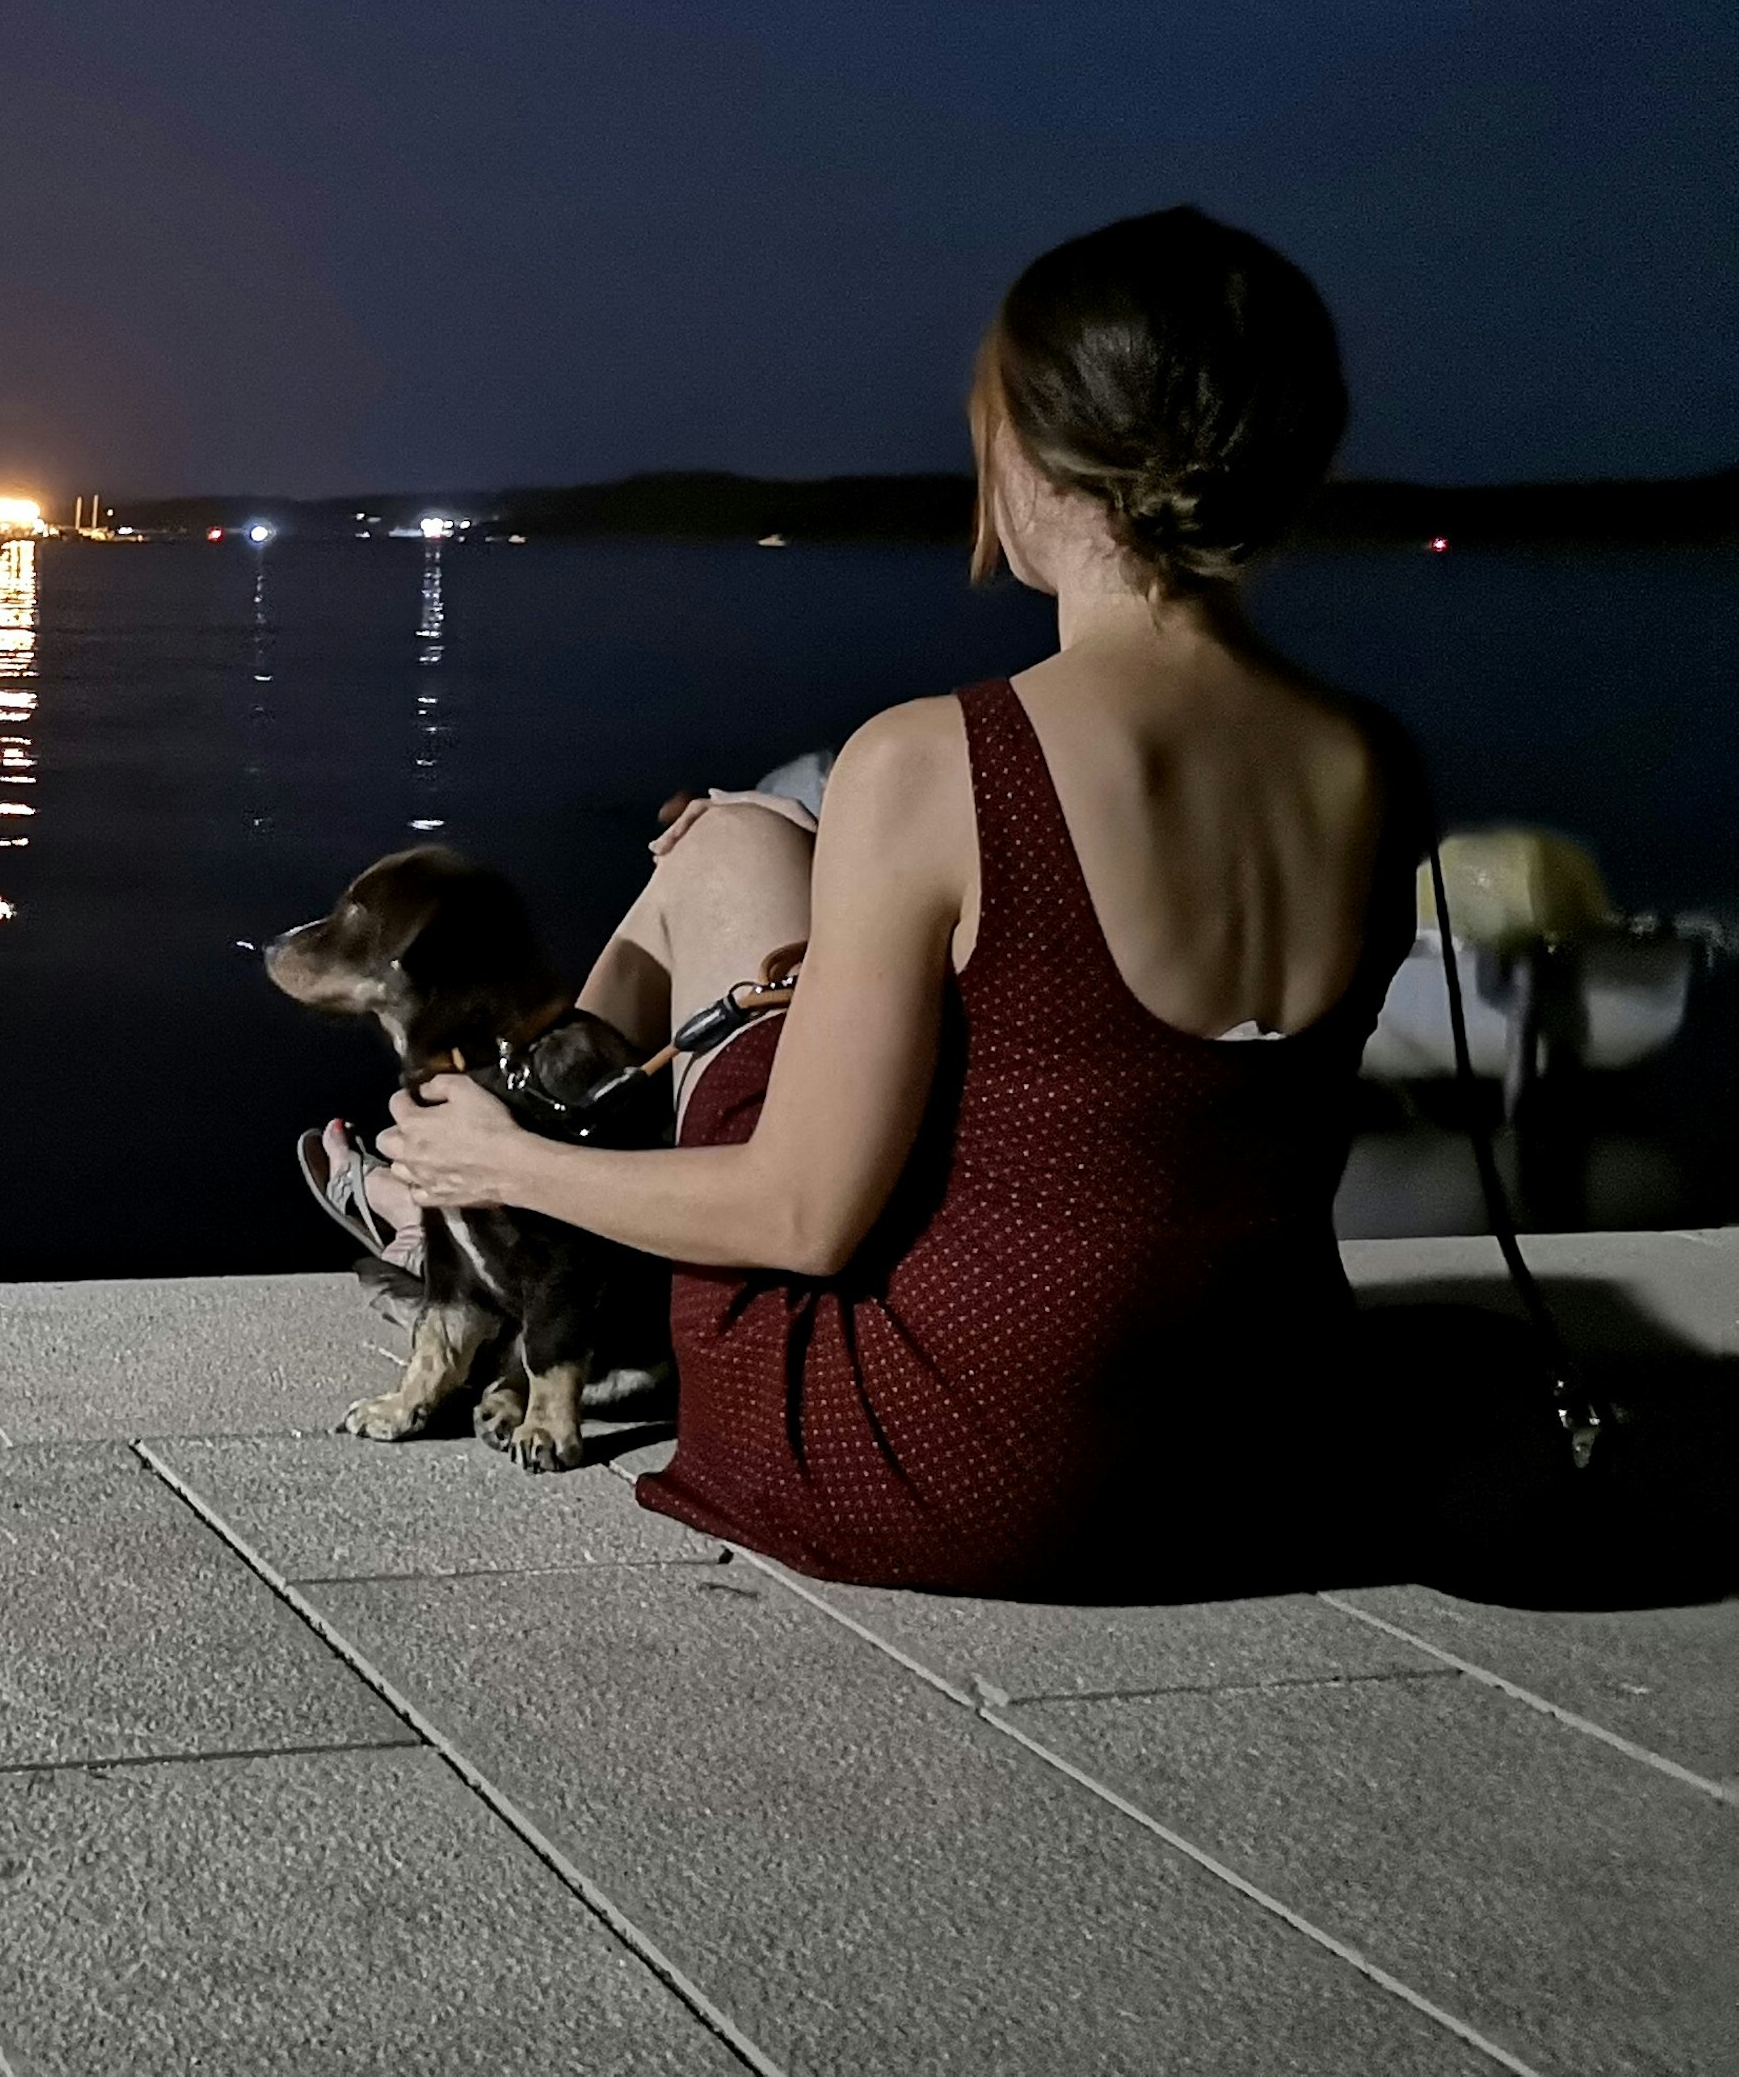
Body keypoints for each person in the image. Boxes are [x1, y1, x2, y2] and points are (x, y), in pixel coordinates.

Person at [360, 207, 1424, 1594]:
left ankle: (464, 1171)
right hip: (1258, 1451)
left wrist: (505, 1171)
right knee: (754, 842)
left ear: (1031, 449)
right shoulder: (1377, 757)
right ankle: (499, 1146)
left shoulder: (943, 759)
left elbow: (806, 1221)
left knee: (723, 857)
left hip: (968, 1469)